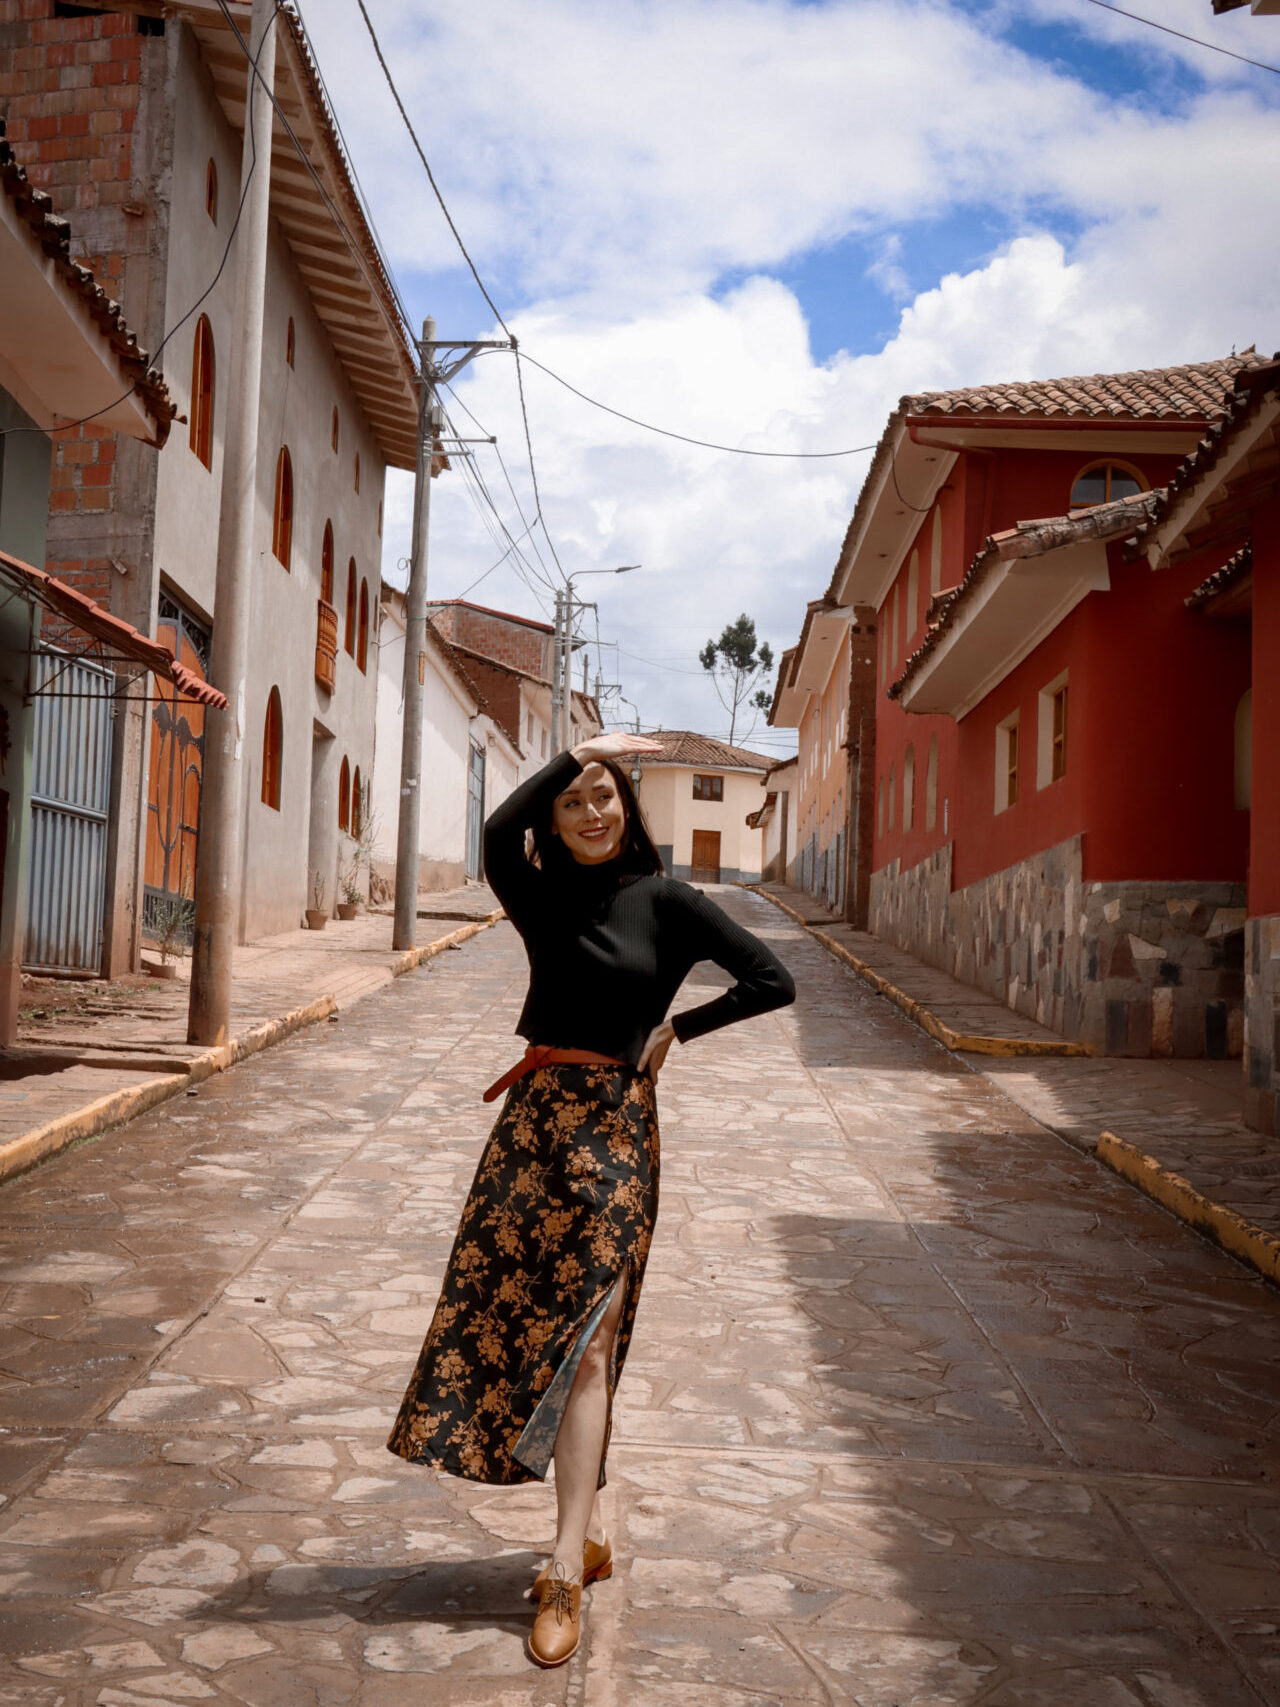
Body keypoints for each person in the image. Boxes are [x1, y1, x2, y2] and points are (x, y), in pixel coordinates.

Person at [386, 732, 796, 1668]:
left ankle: (565, 1563)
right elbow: (497, 835)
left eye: (604, 796)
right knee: (516, 1324)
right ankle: (591, 1522)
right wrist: (577, 751)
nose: (590, 813)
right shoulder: (543, 895)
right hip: (531, 1131)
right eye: (572, 803)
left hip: (615, 1132)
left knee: (590, 1340)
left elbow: (774, 978)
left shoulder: (670, 900)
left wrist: (680, 1027)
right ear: (557, 822)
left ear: (629, 805)